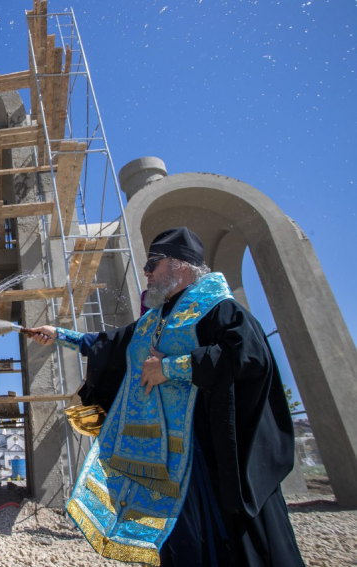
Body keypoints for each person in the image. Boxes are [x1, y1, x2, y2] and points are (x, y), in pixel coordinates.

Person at [27, 227, 304, 567]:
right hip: (167, 461)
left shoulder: (218, 309)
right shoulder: (154, 320)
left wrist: (170, 369)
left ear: (181, 265)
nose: (146, 272)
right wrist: (59, 335)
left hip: (210, 453)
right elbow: (107, 344)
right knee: (177, 545)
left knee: (227, 541)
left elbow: (249, 357)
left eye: (153, 264)